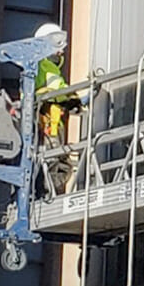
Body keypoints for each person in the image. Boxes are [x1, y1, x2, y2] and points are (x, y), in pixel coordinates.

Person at [33, 22, 83, 193]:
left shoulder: (47, 66)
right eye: (58, 47)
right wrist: (72, 99)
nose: (62, 52)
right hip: (47, 124)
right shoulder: (42, 65)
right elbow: (54, 90)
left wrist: (72, 100)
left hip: (51, 123)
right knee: (53, 161)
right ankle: (47, 194)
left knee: (57, 161)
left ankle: (48, 192)